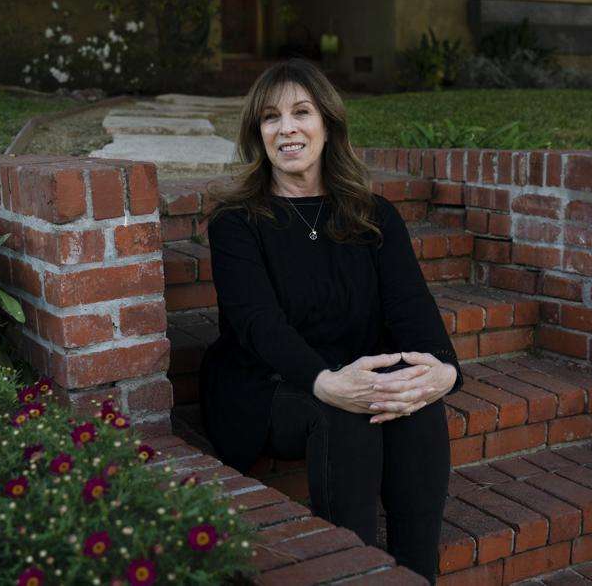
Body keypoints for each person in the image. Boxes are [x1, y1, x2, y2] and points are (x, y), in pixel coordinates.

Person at [198, 58, 463, 583]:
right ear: (258, 134)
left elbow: (413, 311)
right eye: (271, 118)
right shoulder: (237, 222)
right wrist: (327, 383)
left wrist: (443, 374)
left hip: (351, 373)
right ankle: (353, 571)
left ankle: (417, 574)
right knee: (351, 413)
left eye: (301, 112)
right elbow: (258, 326)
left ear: (328, 124)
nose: (287, 128)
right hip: (267, 386)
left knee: (417, 408)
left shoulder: (373, 216)